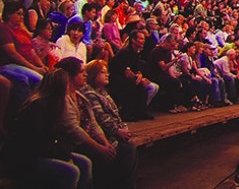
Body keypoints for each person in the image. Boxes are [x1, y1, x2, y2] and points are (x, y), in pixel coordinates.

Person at [4, 68, 93, 188]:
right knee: (72, 171)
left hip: (47, 151)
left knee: (85, 162)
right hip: (27, 157)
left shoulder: (56, 104)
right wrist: (62, 155)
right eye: (67, 83)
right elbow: (36, 142)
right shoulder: (38, 106)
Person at [81, 59, 139, 188]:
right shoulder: (89, 92)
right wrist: (117, 131)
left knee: (129, 145)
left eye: (107, 72)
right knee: (127, 149)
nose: (107, 75)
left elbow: (115, 115)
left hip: (112, 131)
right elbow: (100, 117)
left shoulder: (103, 92)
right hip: (101, 134)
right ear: (93, 75)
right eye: (102, 72)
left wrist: (123, 128)